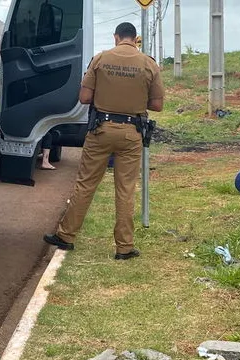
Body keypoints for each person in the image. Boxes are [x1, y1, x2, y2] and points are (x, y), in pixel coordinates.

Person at [43, 22, 164, 260]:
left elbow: (85, 97)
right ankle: (124, 247)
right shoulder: (149, 64)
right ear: (135, 38)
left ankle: (66, 237)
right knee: (125, 189)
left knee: (86, 183)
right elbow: (157, 105)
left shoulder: (100, 59)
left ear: (116, 37)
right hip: (132, 133)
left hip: (101, 130)